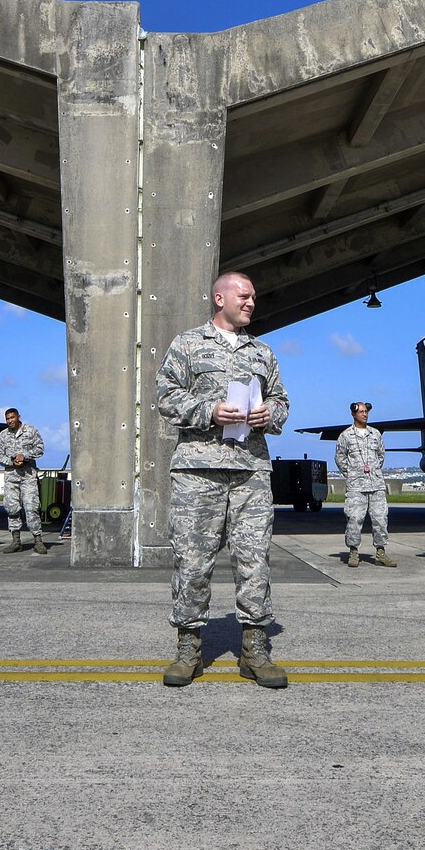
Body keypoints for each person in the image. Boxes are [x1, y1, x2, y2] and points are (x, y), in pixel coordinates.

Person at [155, 270, 291, 689]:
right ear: (220, 298)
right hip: (198, 471)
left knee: (255, 561)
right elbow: (165, 396)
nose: (251, 303)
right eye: (244, 296)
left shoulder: (262, 352)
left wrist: (272, 414)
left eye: (253, 297)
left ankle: (254, 649)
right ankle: (188, 648)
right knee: (193, 562)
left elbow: (282, 401)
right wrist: (209, 410)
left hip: (250, 471)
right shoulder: (189, 344)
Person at [335, 401, 395, 568]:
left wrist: (373, 471)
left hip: (376, 484)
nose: (365, 414)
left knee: (380, 519)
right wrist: (353, 473)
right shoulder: (345, 436)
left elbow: (381, 456)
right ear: (354, 414)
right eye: (361, 411)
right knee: (354, 519)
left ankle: (381, 552)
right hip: (356, 486)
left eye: (366, 411)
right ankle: (353, 552)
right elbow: (340, 458)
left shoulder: (375, 434)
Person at [0, 408, 49, 554]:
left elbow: (40, 449)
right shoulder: (3, 435)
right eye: (7, 419)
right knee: (12, 508)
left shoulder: (30, 431)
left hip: (28, 477)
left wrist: (24, 456)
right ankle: (16, 541)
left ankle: (38, 540)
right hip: (11, 477)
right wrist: (12, 461)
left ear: (18, 417)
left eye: (12, 417)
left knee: (31, 508)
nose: (10, 421)